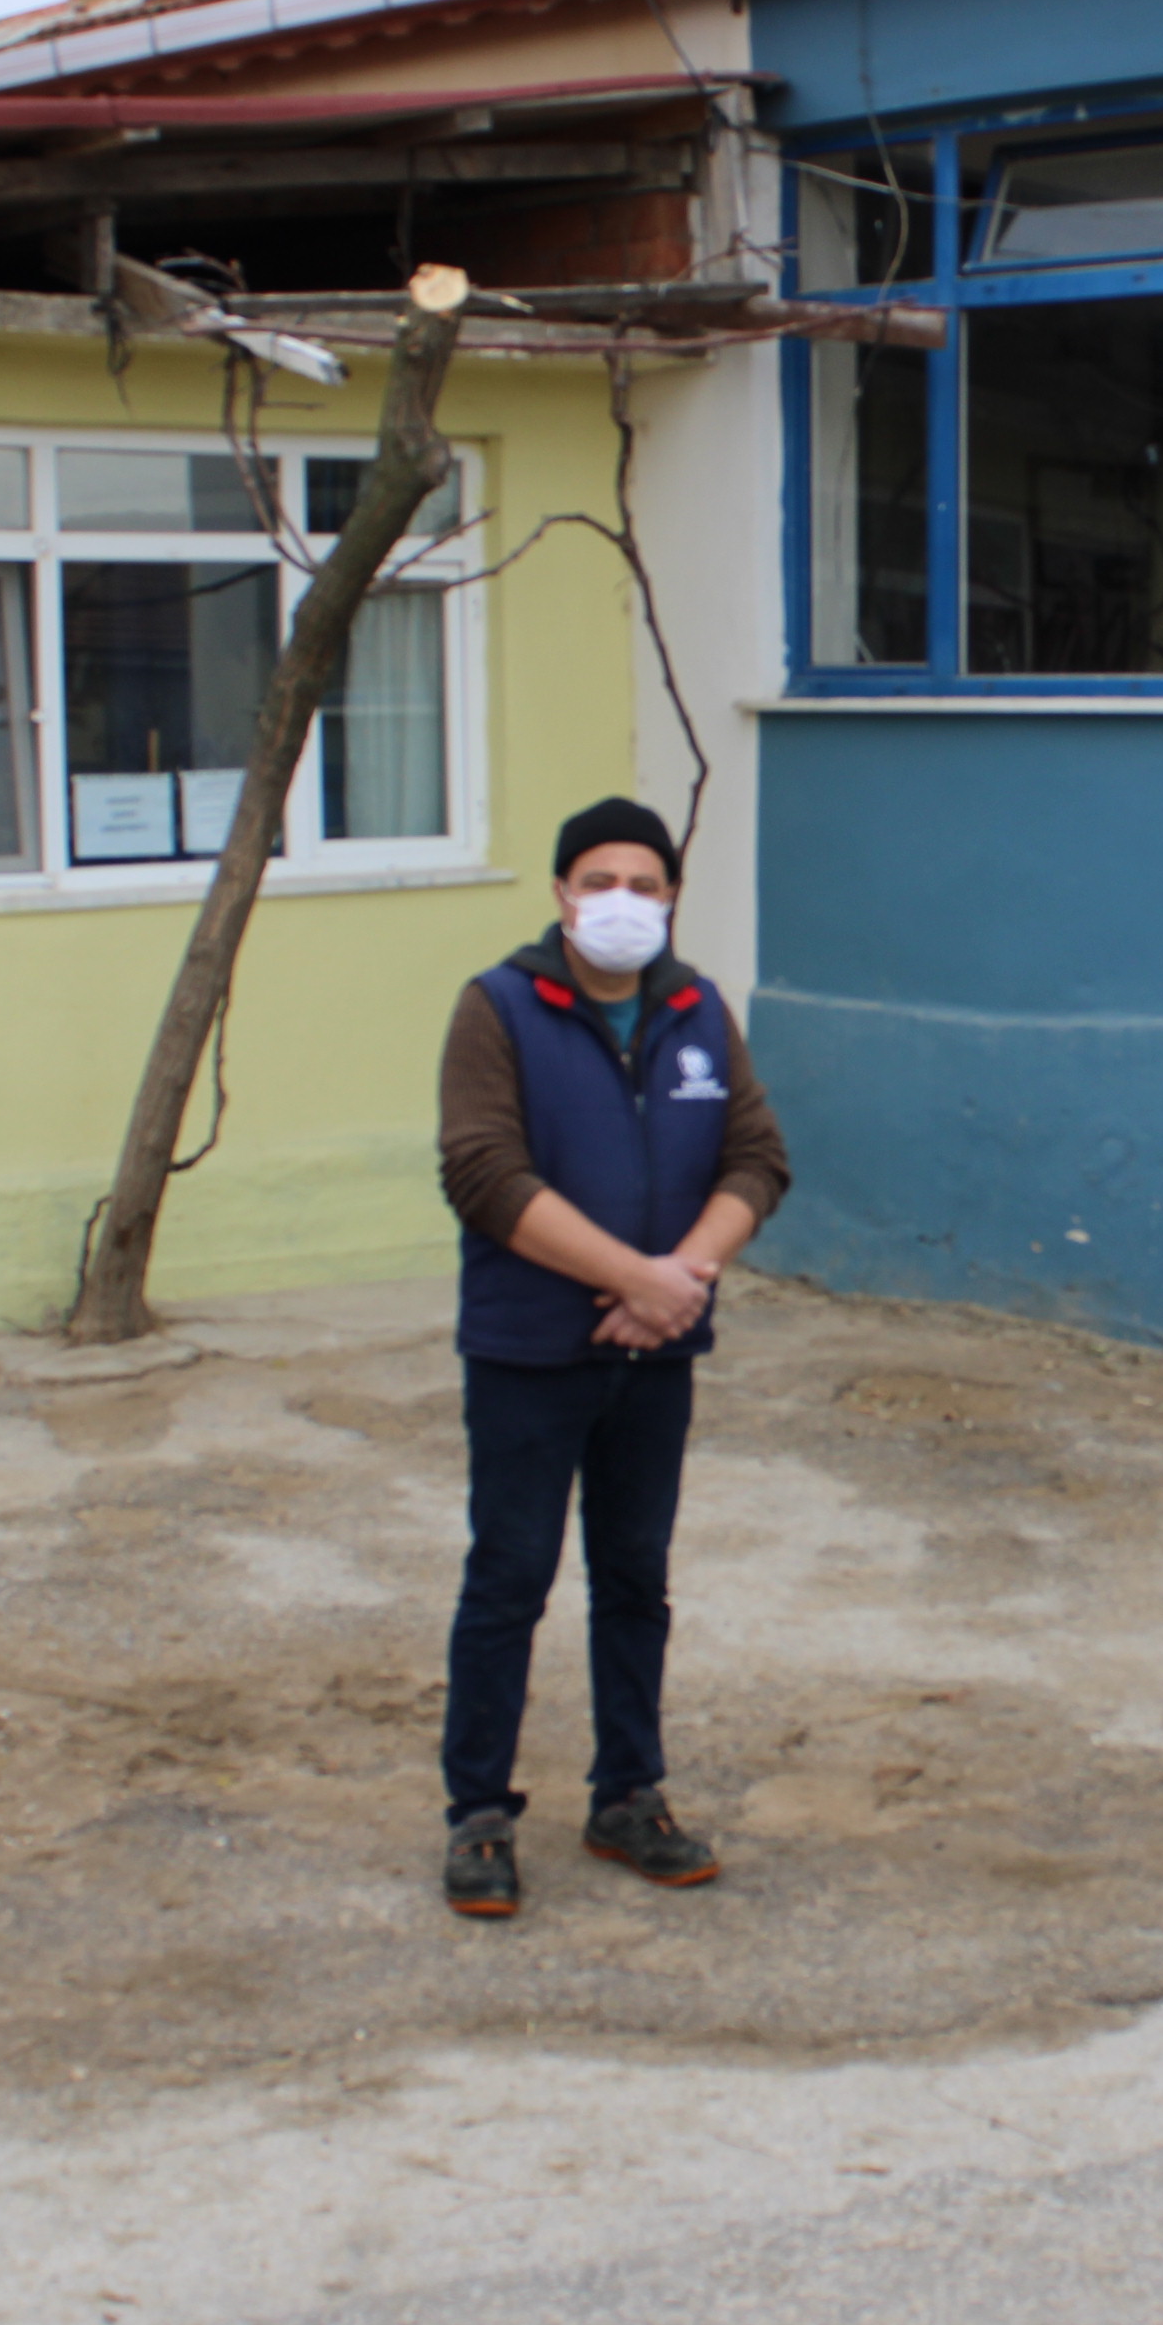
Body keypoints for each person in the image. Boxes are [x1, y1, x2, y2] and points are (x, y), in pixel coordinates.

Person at [432, 797, 790, 1920]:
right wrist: (632, 1276)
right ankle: (479, 1814)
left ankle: (626, 1794)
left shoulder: (695, 1011)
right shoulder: (499, 1008)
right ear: (559, 894)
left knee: (635, 1578)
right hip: (531, 1352)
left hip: (656, 1353)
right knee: (510, 1577)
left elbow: (758, 1157)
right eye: (598, 880)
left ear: (673, 897)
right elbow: (484, 1173)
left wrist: (677, 1278)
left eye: (644, 882)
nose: (621, 902)